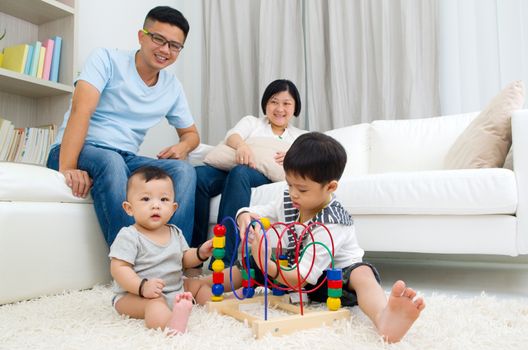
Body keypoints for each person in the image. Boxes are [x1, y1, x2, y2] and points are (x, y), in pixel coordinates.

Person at [209, 132, 425, 343]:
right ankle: (202, 285)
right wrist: (244, 215)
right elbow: (261, 210)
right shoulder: (289, 199)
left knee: (363, 274)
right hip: (292, 275)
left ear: (330, 187)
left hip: (334, 281)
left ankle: (383, 316)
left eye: (301, 189)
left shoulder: (333, 221)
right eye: (289, 184)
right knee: (248, 265)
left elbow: (304, 275)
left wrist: (268, 264)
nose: (293, 193)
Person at [47, 6, 199, 246]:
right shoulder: (106, 59)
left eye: (174, 45)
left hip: (125, 158)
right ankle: (128, 262)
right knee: (111, 161)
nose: (165, 50)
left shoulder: (172, 86)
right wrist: (68, 167)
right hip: (80, 149)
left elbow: (191, 135)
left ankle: (173, 258)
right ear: (142, 36)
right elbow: (81, 111)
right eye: (158, 39)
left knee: (184, 171)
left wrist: (183, 147)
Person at [193, 79, 307, 266]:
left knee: (240, 172)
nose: (280, 108)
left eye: (286, 103)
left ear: (295, 108)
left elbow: (309, 163)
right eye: (274, 102)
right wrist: (242, 146)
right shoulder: (252, 123)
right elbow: (233, 136)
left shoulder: (300, 137)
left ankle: (223, 261)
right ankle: (194, 256)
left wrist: (293, 157)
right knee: (199, 176)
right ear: (265, 104)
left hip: (261, 176)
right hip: (234, 169)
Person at [109, 166, 213, 334]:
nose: (156, 205)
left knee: (197, 286)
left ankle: (219, 307)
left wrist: (200, 252)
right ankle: (172, 326)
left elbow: (185, 259)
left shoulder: (175, 232)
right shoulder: (129, 236)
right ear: (129, 208)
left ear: (173, 208)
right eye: (146, 199)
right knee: (155, 305)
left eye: (163, 200)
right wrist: (142, 287)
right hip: (135, 296)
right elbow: (119, 269)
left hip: (174, 289)